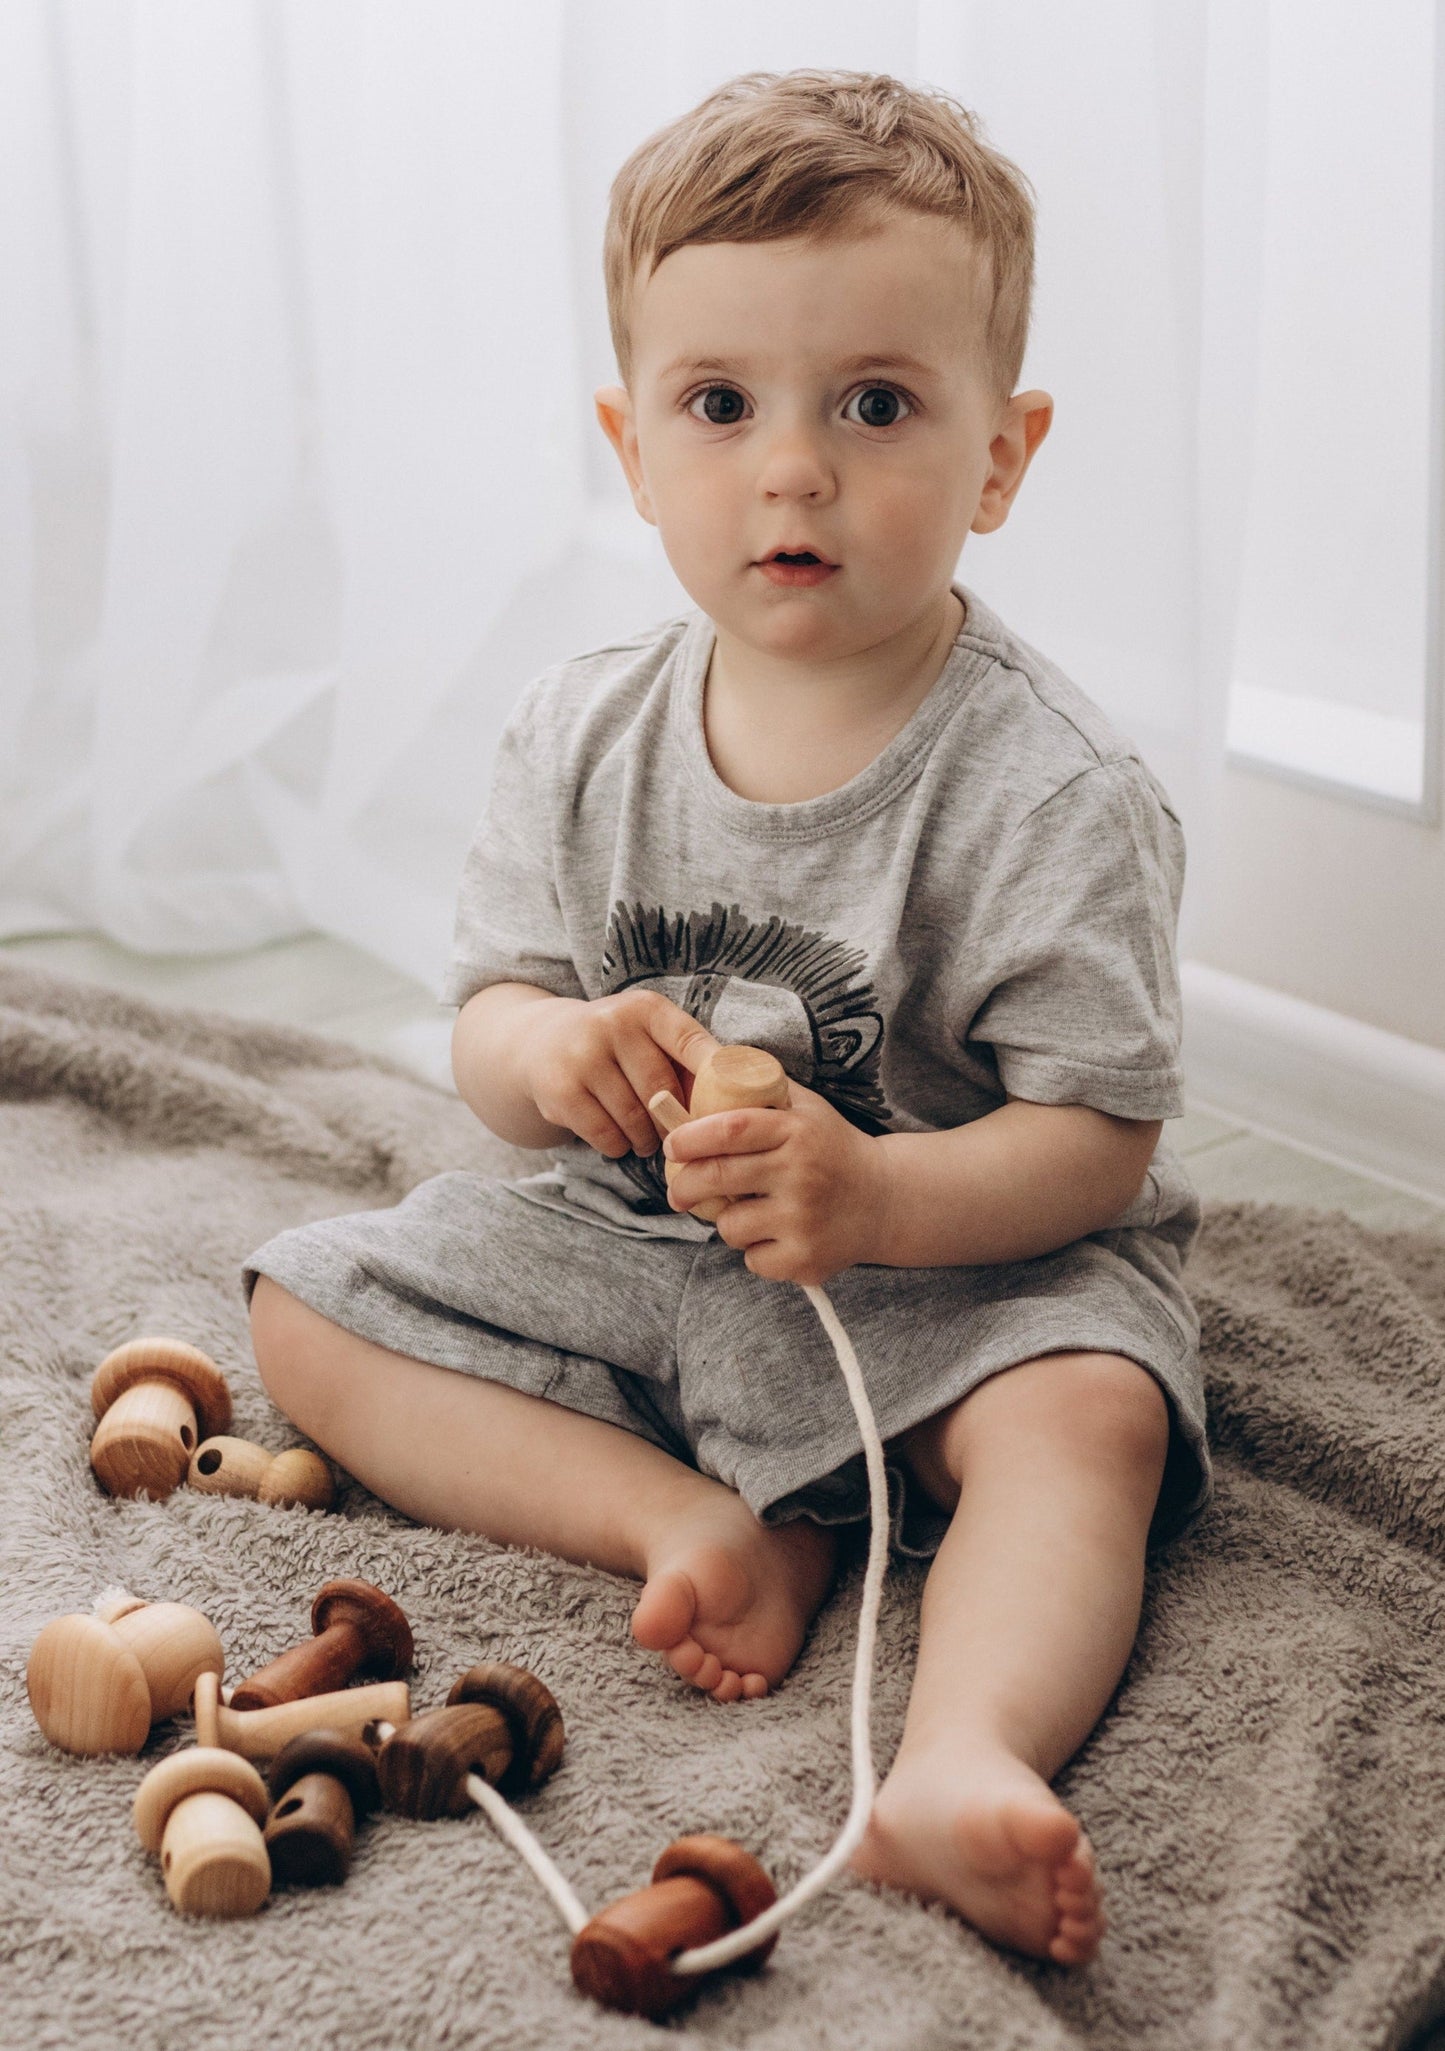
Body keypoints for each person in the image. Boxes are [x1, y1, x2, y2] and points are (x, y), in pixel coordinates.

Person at [246, 68, 1209, 1968]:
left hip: (944, 1271)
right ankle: (690, 1525)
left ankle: (958, 1756)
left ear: (1000, 458)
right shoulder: (579, 726)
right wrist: (546, 1057)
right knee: (302, 1305)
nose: (791, 470)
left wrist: (877, 1205)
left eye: (874, 406)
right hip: (639, 1239)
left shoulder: (1051, 795)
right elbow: (493, 1012)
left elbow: (1100, 1140)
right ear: (630, 445)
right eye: (719, 407)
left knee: (1089, 1411)